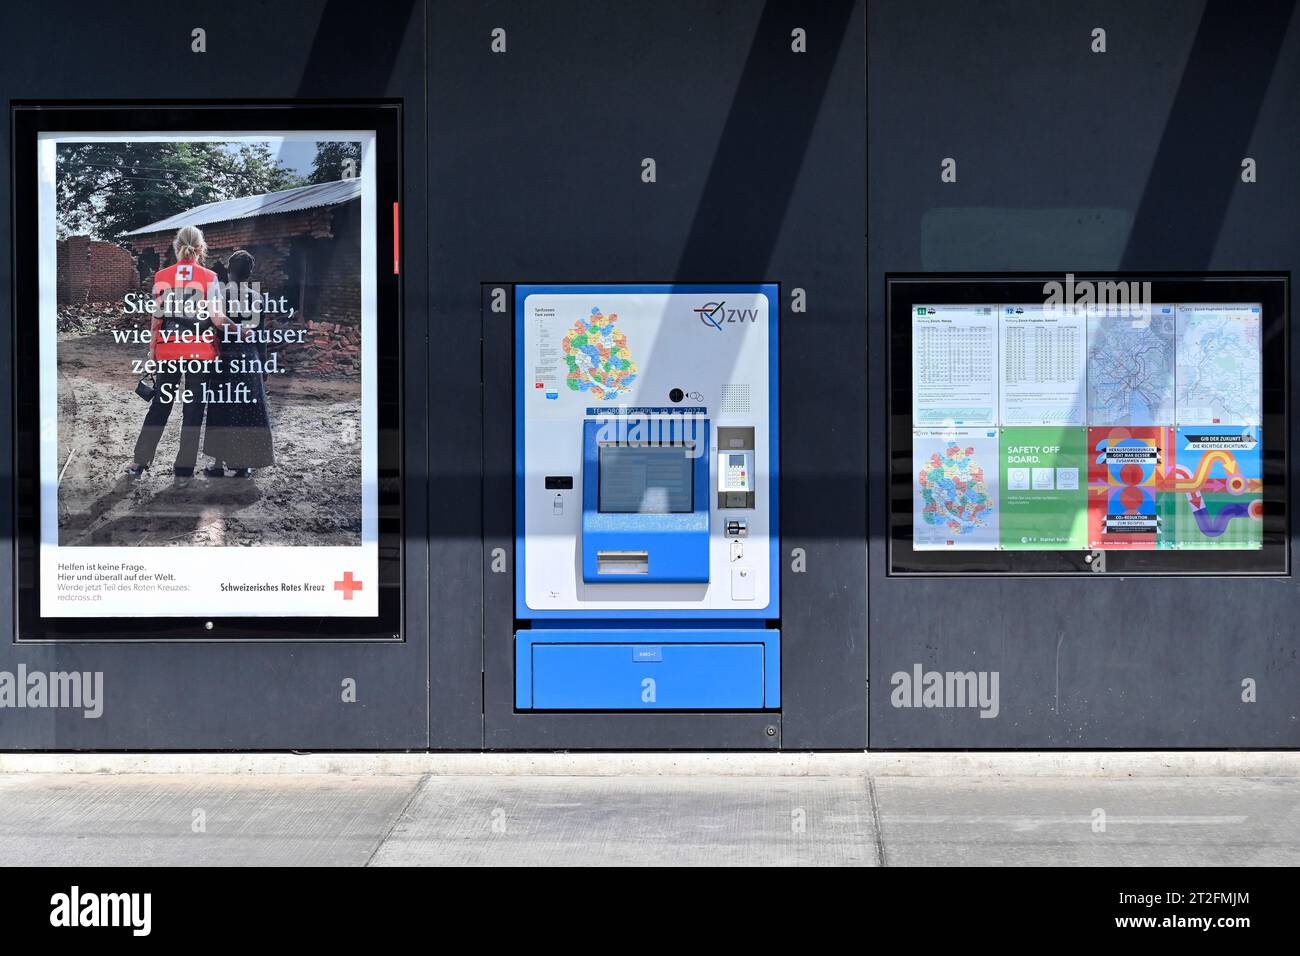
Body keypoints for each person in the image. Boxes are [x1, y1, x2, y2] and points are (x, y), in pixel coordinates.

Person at [125, 225, 228, 484]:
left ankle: (139, 462)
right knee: (193, 410)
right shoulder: (209, 277)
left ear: (175, 246)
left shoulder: (162, 276)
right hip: (200, 352)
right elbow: (216, 319)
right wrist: (240, 329)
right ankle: (184, 470)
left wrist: (152, 348)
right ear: (201, 248)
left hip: (169, 349)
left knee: (160, 404)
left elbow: (157, 318)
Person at [203, 249, 275, 478]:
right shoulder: (257, 297)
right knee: (247, 410)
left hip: (223, 357)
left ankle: (216, 464)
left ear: (228, 269)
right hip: (249, 359)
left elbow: (209, 329)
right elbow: (261, 336)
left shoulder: (219, 295)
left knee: (221, 408)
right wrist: (263, 366)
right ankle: (244, 466)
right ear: (249, 272)